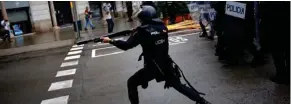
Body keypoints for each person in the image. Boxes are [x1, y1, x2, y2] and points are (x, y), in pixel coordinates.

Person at [101, 6, 210, 104]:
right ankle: (202, 101)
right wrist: (137, 31)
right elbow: (151, 33)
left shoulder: (141, 32)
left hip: (152, 67)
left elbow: (126, 45)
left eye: (140, 19)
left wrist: (110, 40)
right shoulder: (162, 26)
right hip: (166, 64)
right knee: (179, 86)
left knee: (131, 82)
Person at [259, 2, 289, 85]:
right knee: (287, 52)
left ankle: (281, 75)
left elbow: (261, 13)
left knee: (277, 53)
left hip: (273, 29)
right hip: (286, 26)